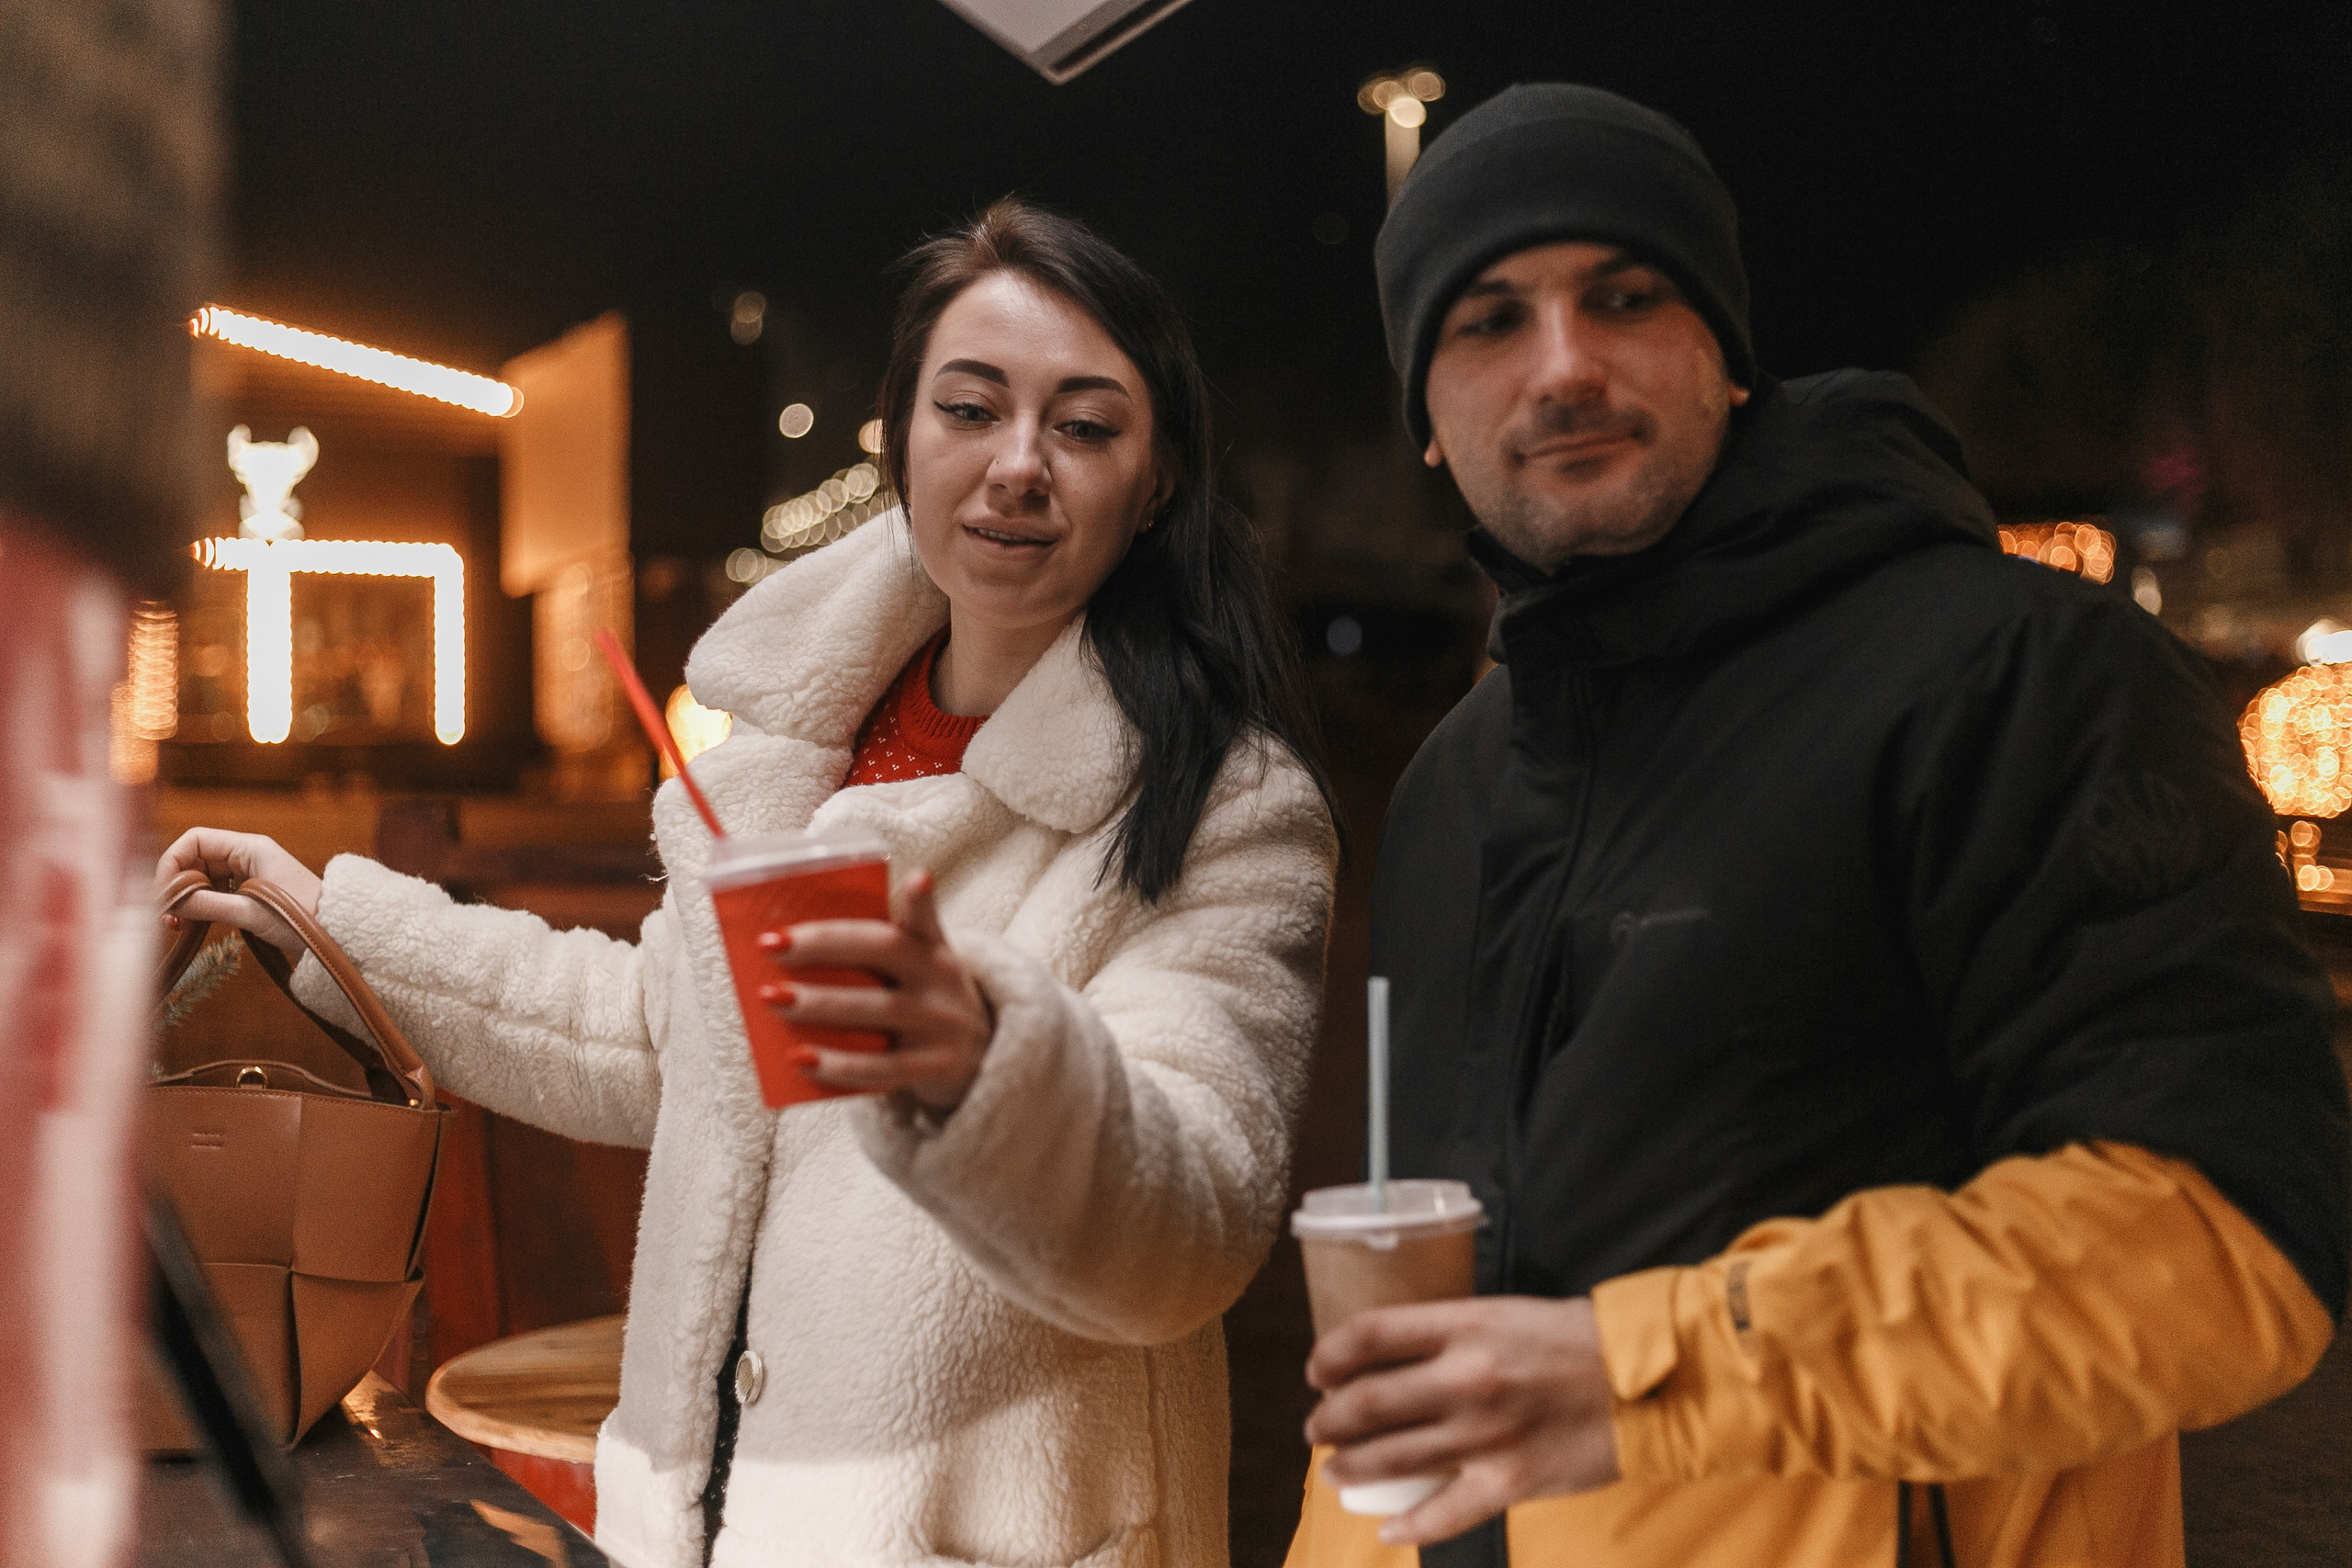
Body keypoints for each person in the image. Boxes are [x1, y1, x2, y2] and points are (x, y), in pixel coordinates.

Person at [162, 198, 1338, 1568]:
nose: (1019, 464)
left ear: (1160, 480)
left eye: (1084, 426)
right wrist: (327, 919)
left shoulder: (1227, 804)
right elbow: (665, 1034)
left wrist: (986, 1063)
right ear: (901, 439)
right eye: (970, 409)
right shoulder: (793, 746)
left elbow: (1192, 1221)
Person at [1288, 84, 2349, 1568]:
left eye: (1626, 296)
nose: (1565, 365)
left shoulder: (2018, 676)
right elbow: (1430, 1339)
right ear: (1423, 420)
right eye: (1489, 321)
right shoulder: (1461, 781)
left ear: (1725, 353)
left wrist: (1642, 1372)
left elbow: (2235, 1241)